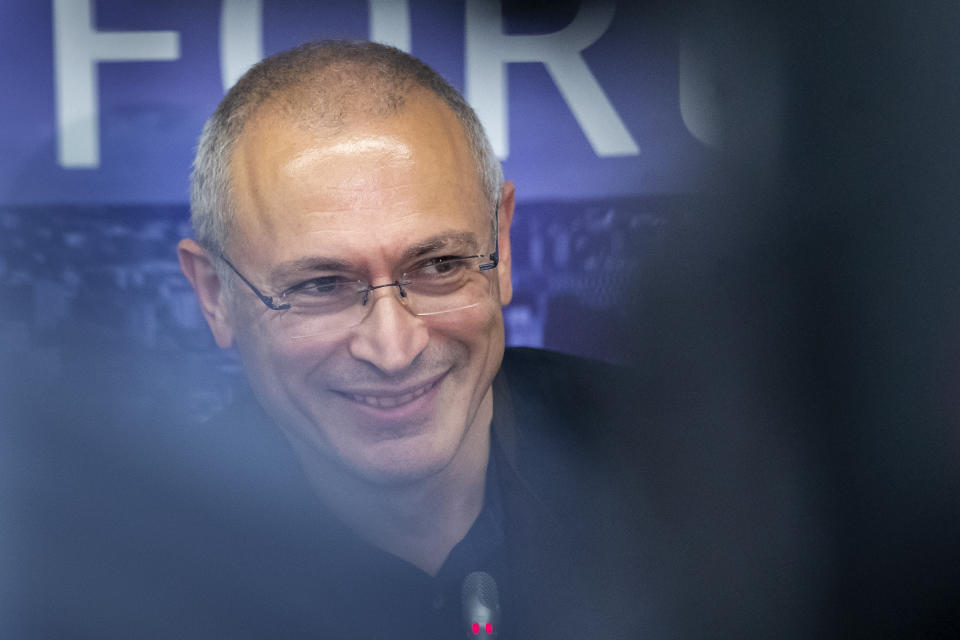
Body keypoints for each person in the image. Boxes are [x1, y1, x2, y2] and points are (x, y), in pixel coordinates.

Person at [173, 40, 650, 639]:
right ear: (215, 296)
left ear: (500, 248)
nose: (394, 349)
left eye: (441, 265)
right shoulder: (129, 577)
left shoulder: (688, 470)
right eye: (322, 285)